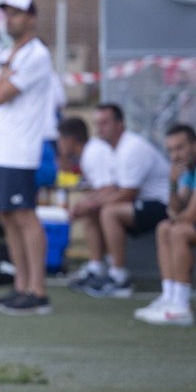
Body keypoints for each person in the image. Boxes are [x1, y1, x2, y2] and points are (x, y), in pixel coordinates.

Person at [0, 0, 55, 316]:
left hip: (20, 150)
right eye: (7, 13)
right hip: (1, 148)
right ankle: (21, 286)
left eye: (16, 14)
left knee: (25, 215)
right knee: (8, 217)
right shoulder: (7, 53)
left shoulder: (36, 55)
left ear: (31, 19)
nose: (10, 19)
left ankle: (37, 290)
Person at [133, 124, 196, 326]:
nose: (175, 155)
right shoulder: (190, 169)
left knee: (178, 231)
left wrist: (176, 217)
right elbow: (175, 210)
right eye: (170, 150)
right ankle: (169, 298)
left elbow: (190, 216)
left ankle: (181, 306)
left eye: (179, 148)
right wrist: (172, 184)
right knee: (164, 228)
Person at [70, 104, 170, 299]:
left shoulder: (131, 148)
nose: (100, 127)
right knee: (95, 209)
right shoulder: (113, 148)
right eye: (97, 123)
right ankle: (97, 268)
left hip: (164, 205)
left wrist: (92, 204)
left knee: (109, 211)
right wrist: (84, 204)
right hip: (142, 203)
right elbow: (110, 189)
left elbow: (126, 194)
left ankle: (120, 278)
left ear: (120, 124)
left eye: (105, 122)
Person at [56, 116, 118, 283]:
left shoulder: (92, 153)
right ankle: (98, 264)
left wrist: (86, 204)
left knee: (91, 211)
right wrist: (82, 204)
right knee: (87, 208)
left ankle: (105, 267)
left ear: (69, 141)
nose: (60, 146)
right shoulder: (89, 152)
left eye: (60, 141)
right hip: (123, 197)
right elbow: (102, 189)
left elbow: (110, 188)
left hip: (136, 201)